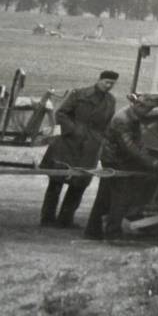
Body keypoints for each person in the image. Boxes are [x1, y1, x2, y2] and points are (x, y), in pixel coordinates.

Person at [39, 70, 118, 228]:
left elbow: (108, 123)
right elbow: (61, 113)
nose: (108, 86)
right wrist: (74, 130)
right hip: (68, 144)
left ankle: (66, 219)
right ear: (99, 80)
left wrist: (102, 139)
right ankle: (47, 219)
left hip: (91, 147)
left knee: (79, 183)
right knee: (57, 180)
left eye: (112, 84)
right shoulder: (79, 94)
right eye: (106, 82)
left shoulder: (111, 100)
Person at [84, 94, 158, 239]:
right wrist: (151, 162)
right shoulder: (123, 120)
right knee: (120, 197)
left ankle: (92, 230)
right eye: (148, 110)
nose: (148, 113)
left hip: (112, 157)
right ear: (139, 106)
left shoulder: (130, 112)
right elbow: (129, 147)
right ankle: (113, 233)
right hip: (116, 160)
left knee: (104, 195)